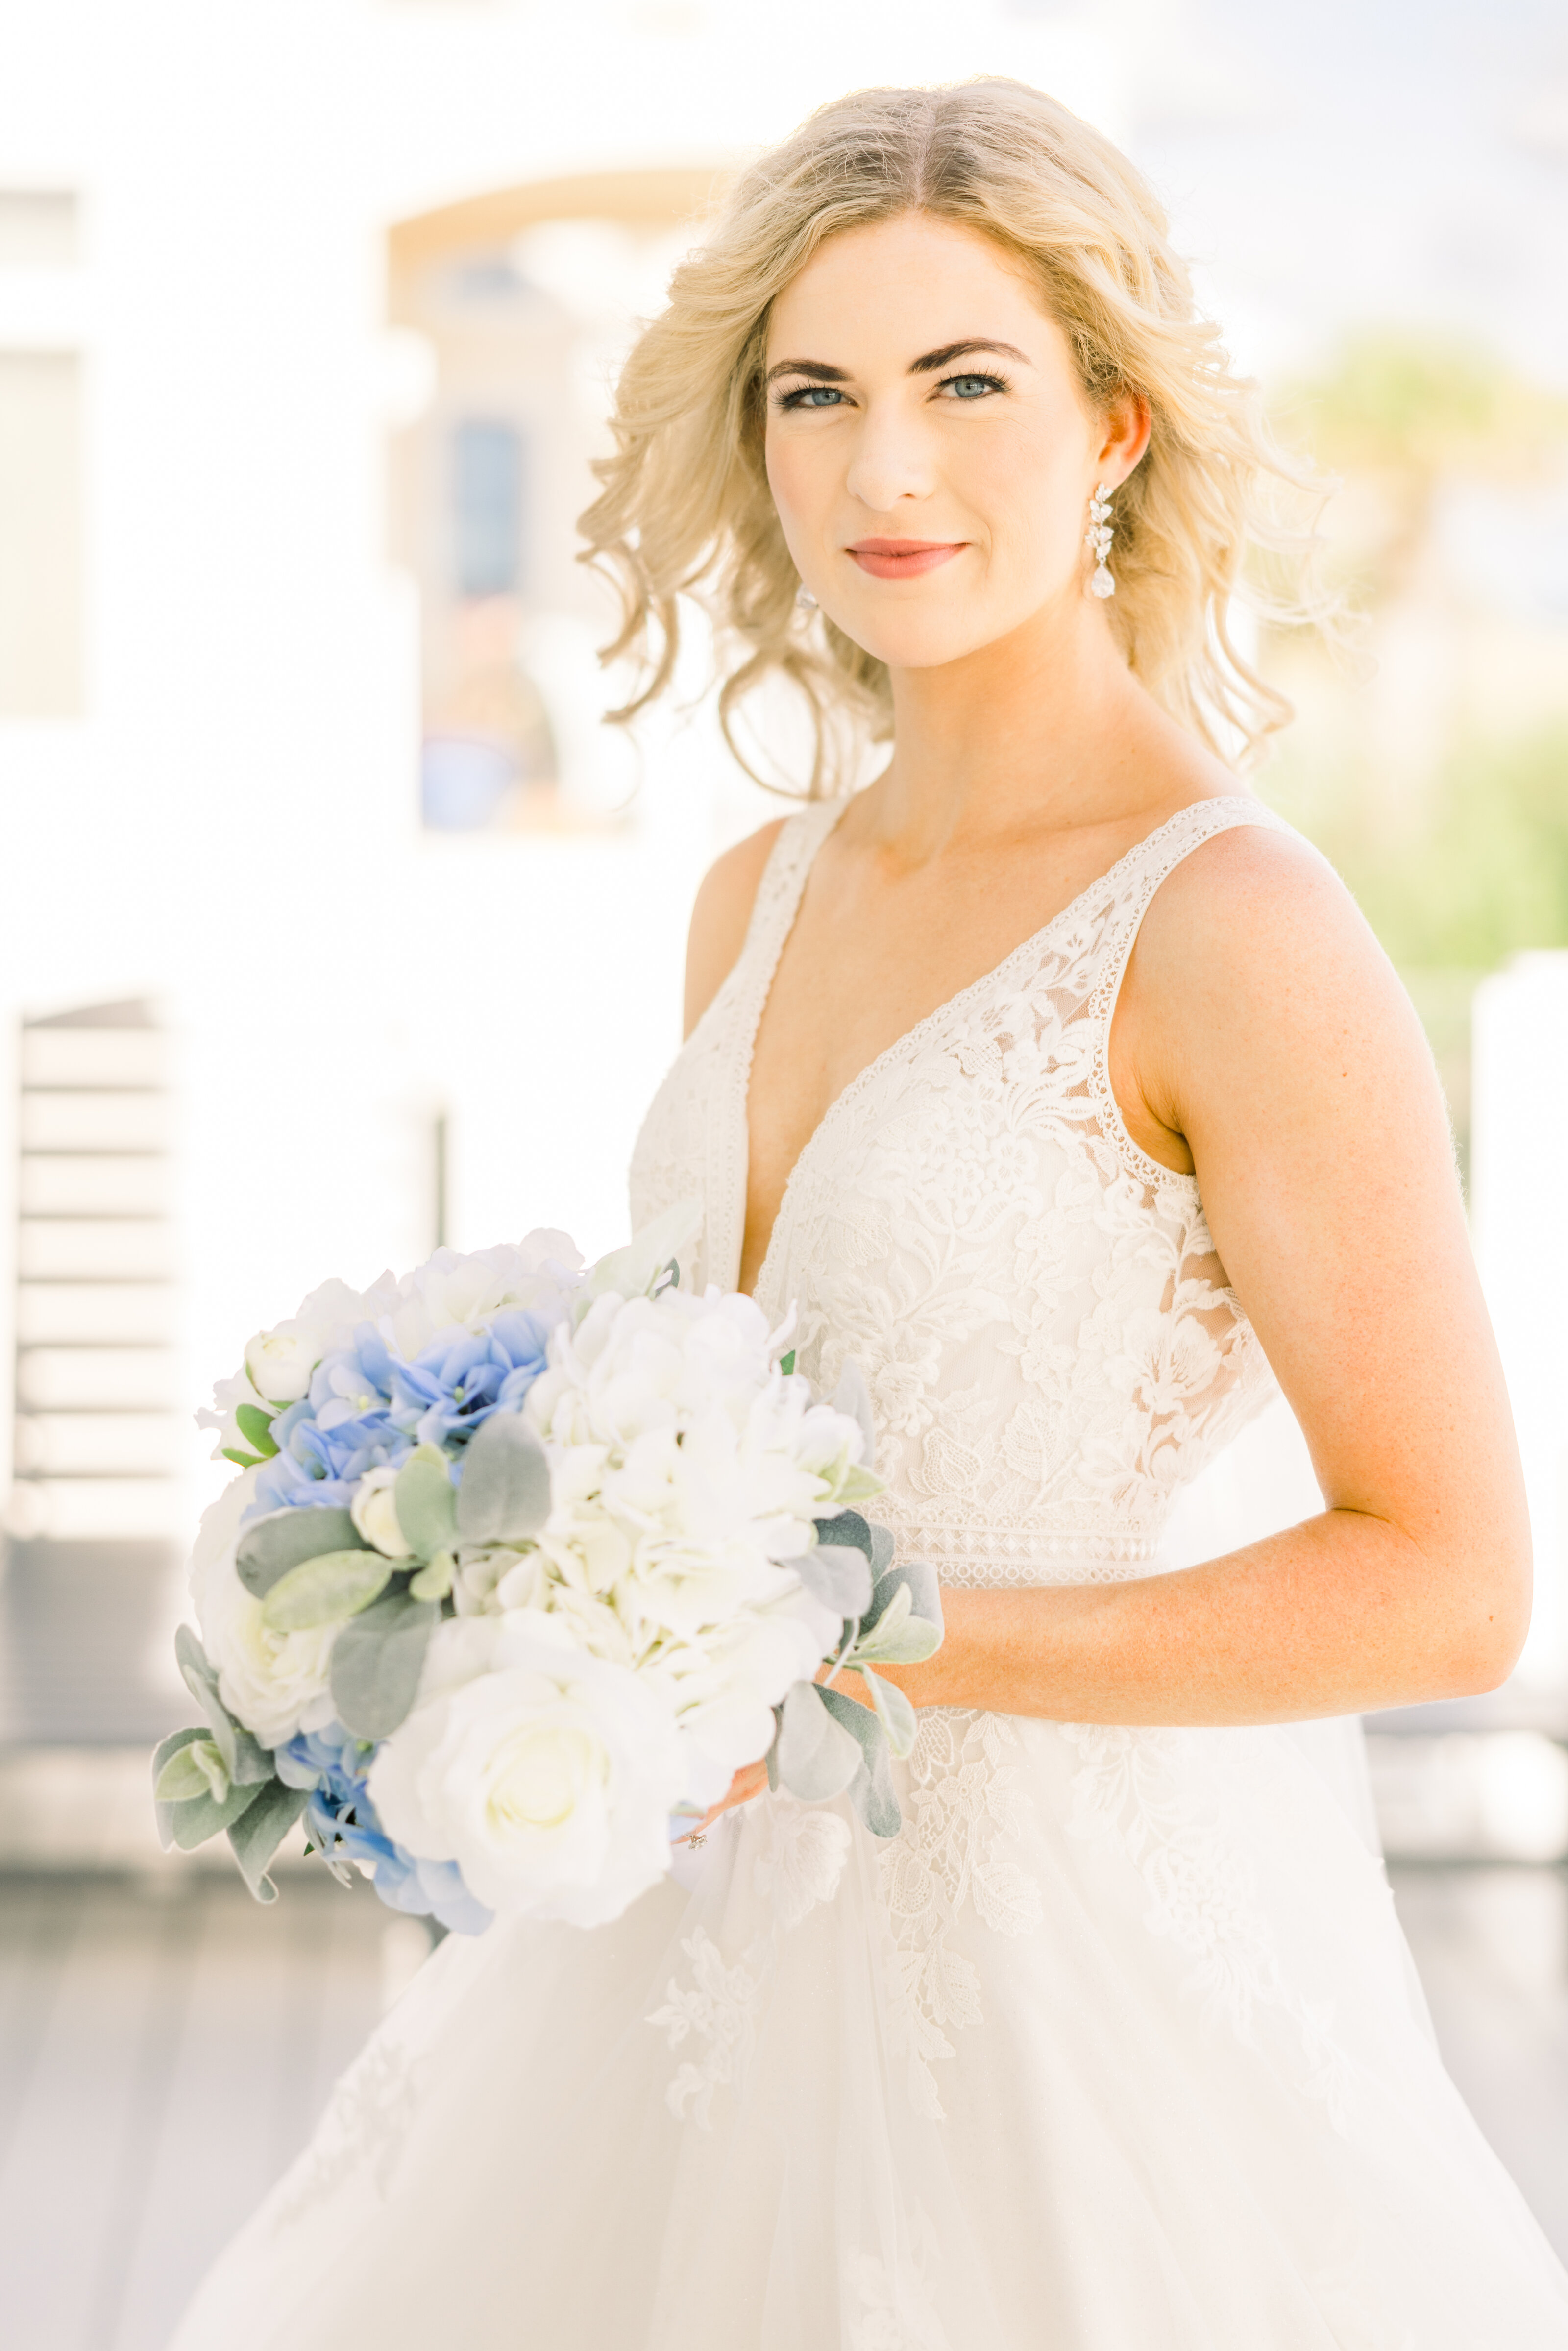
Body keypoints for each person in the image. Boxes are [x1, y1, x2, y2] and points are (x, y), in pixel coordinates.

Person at [171, 79, 1568, 2349]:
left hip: (1063, 2016)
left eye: (963, 384)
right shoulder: (754, 891)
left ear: (1112, 423)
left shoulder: (1235, 931)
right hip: (679, 1961)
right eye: (812, 393)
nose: (880, 469)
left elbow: (1445, 1583)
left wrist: (858, 1647)